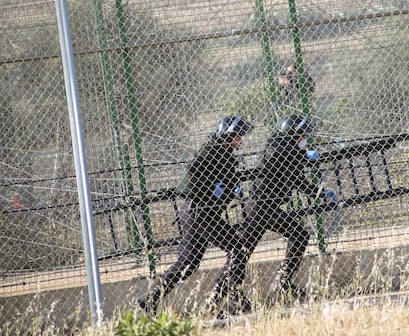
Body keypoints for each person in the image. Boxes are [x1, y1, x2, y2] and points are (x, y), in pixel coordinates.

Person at [138, 116, 253, 316]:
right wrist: (213, 187)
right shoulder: (215, 150)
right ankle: (222, 299)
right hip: (201, 213)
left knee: (188, 263)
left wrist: (224, 186)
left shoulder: (221, 152)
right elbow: (194, 167)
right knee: (238, 250)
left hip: (195, 213)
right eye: (237, 137)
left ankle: (151, 299)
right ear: (227, 136)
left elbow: (221, 175)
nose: (240, 141)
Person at [224, 114, 335, 304]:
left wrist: (319, 193)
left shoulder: (289, 150)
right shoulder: (277, 142)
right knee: (242, 250)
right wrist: (302, 155)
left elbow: (296, 178)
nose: (304, 138)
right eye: (301, 134)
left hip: (268, 206)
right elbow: (278, 158)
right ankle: (231, 292)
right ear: (292, 133)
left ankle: (282, 282)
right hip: (259, 206)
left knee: (297, 235)